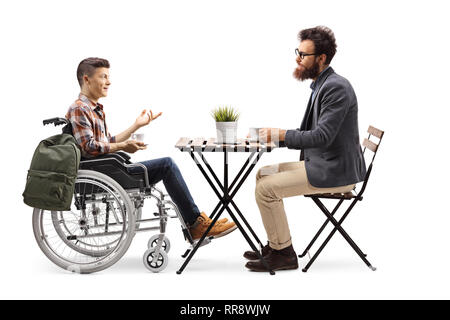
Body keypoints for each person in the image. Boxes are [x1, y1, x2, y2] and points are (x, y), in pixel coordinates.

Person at [66, 57, 237, 240]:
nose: (109, 82)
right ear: (86, 79)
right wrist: (123, 146)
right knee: (167, 165)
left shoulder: (94, 109)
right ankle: (196, 224)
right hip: (103, 173)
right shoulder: (79, 108)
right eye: (103, 77)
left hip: (107, 169)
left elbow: (106, 141)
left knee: (166, 166)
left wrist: (136, 126)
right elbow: (89, 146)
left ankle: (196, 223)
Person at [244, 26, 367, 272]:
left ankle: (284, 254)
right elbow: (315, 134)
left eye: (303, 55)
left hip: (335, 171)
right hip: (324, 162)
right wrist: (275, 136)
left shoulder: (336, 87)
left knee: (267, 188)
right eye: (297, 52)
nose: (297, 59)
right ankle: (276, 243)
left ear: (321, 58)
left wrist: (281, 135)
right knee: (263, 173)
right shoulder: (321, 85)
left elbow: (321, 136)